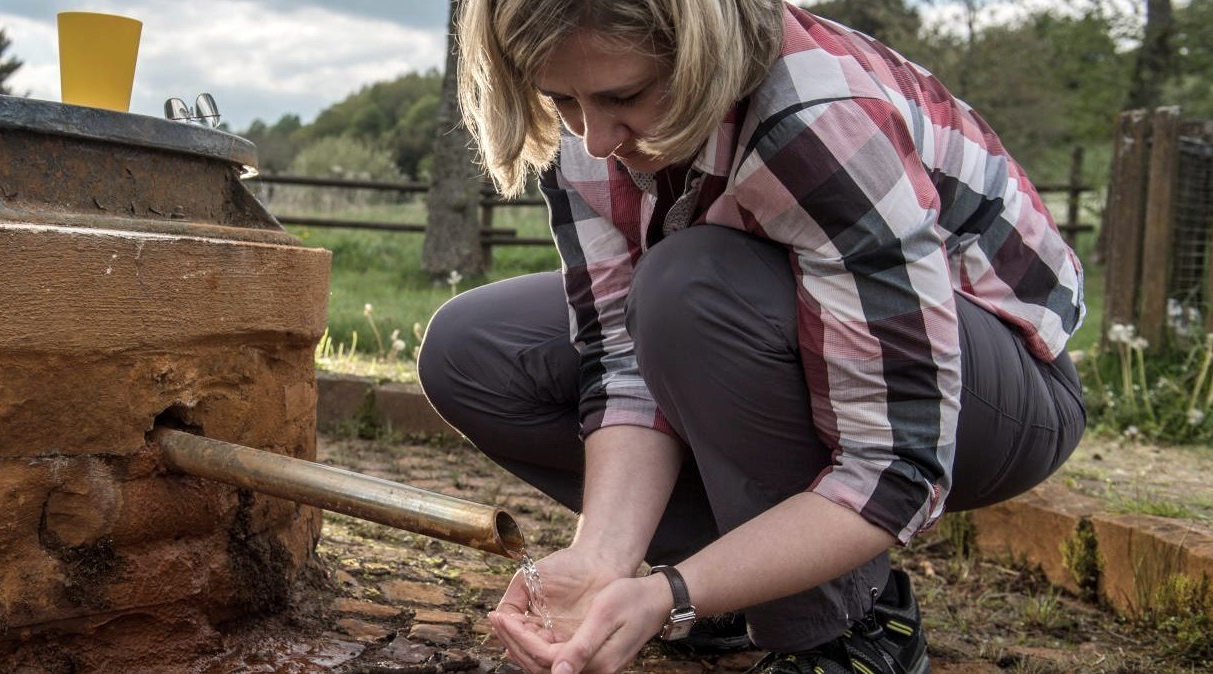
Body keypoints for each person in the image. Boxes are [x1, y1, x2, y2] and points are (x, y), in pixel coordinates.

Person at [416, 1, 1087, 673]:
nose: (592, 140)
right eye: (561, 98)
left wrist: (674, 594)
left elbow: (895, 465)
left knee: (688, 286)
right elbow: (622, 360)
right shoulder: (593, 129)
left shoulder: (818, 118)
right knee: (474, 351)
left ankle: (851, 624)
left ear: (700, 52)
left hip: (992, 394)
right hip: (767, 326)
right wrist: (602, 557)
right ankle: (740, 579)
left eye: (624, 95)